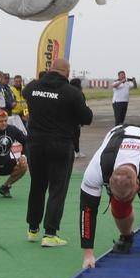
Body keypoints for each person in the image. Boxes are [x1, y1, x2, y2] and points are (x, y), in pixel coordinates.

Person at [79, 125, 140, 274]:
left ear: (138, 185)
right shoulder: (97, 168)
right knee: (119, 207)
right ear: (109, 179)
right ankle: (126, 237)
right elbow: (87, 211)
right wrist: (88, 254)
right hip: (117, 134)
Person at [23, 58, 93, 247]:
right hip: (60, 145)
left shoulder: (32, 87)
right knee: (57, 188)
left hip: (35, 144)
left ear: (50, 69)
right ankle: (50, 233)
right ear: (67, 73)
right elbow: (87, 118)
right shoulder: (71, 93)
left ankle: (32, 228)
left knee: (37, 186)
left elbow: (26, 94)